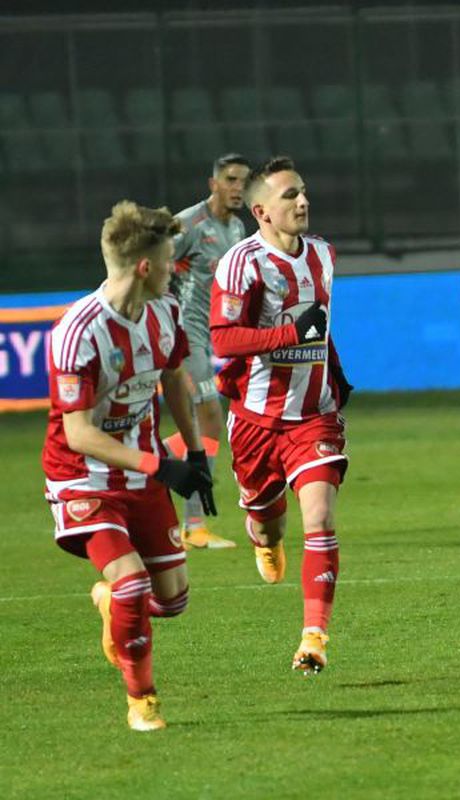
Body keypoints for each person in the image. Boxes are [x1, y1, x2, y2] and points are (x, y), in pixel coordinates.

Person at [42, 201, 217, 731]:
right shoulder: (79, 332)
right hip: (82, 475)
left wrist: (194, 452)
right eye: (169, 262)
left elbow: (172, 383)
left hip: (144, 474)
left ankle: (110, 604)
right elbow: (78, 432)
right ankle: (142, 702)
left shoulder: (164, 314)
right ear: (145, 267)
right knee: (133, 585)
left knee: (173, 600)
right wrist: (160, 466)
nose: (174, 270)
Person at [209, 155, 353, 674]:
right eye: (290, 195)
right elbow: (223, 338)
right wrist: (292, 335)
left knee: (319, 517)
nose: (303, 201)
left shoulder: (324, 255)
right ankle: (263, 537)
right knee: (268, 525)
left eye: (304, 191)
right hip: (255, 422)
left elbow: (322, 326)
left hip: (314, 416)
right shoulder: (241, 263)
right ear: (261, 211)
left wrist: (335, 371)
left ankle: (314, 638)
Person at [162, 153, 250, 550]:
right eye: (231, 179)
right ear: (213, 182)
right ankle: (193, 524)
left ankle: (141, 462)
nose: (238, 188)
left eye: (244, 182)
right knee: (210, 414)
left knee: (208, 423)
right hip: (183, 335)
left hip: (210, 338)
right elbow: (152, 261)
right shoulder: (189, 225)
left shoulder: (237, 228)